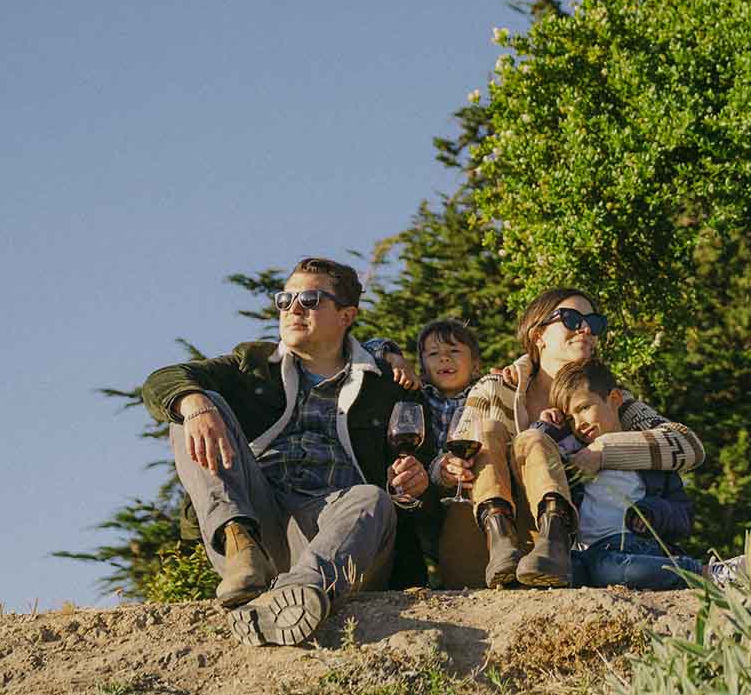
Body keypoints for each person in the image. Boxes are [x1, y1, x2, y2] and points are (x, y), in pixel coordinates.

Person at [140, 257, 428, 645]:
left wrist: (416, 481)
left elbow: (426, 471)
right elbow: (163, 379)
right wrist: (195, 405)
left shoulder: (387, 387)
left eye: (310, 299)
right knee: (190, 405)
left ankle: (296, 592)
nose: (293, 308)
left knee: (370, 498)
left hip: (344, 537)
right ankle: (240, 545)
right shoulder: (252, 364)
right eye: (285, 299)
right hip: (264, 526)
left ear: (346, 316)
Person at [440, 287, 702, 589]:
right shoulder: (496, 388)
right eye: (571, 318)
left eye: (594, 322)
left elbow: (687, 445)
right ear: (539, 335)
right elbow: (451, 457)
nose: (587, 329)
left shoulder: (610, 399)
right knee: (494, 433)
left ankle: (553, 540)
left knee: (532, 441)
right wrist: (447, 469)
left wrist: (602, 451)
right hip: (487, 546)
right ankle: (501, 538)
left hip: (566, 553)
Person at [542, 362, 704, 589]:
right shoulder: (574, 457)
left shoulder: (649, 454)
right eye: (570, 418)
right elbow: (535, 456)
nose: (579, 424)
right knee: (568, 570)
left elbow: (684, 515)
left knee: (605, 568)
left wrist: (652, 513)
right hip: (589, 552)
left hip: (636, 545)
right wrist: (548, 425)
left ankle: (703, 572)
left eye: (584, 408)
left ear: (615, 398)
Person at [361, 319, 484, 587]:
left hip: (471, 490)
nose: (444, 359)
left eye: (454, 352)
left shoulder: (484, 394)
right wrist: (392, 355)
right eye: (433, 354)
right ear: (423, 368)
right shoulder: (416, 396)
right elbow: (364, 348)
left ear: (476, 365)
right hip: (427, 495)